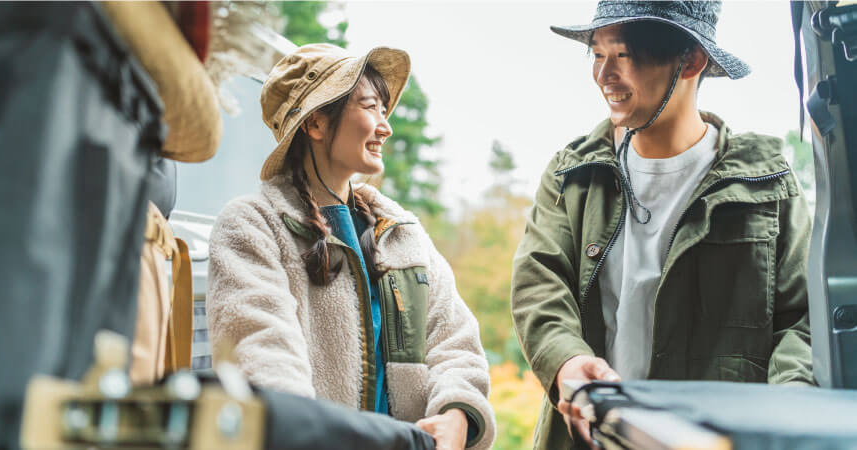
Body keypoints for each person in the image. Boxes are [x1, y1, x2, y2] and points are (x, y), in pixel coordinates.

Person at [510, 2, 814, 448]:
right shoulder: (570, 175)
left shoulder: (767, 185)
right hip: (590, 437)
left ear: (691, 60)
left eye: (625, 55)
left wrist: (786, 413)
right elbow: (539, 282)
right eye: (597, 54)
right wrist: (566, 360)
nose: (604, 74)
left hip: (719, 439)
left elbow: (803, 319)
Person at [207, 43, 495, 450]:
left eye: (384, 109)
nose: (386, 126)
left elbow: (455, 343)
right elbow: (262, 360)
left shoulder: (402, 233)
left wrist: (457, 414)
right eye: (370, 106)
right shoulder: (252, 226)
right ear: (316, 124)